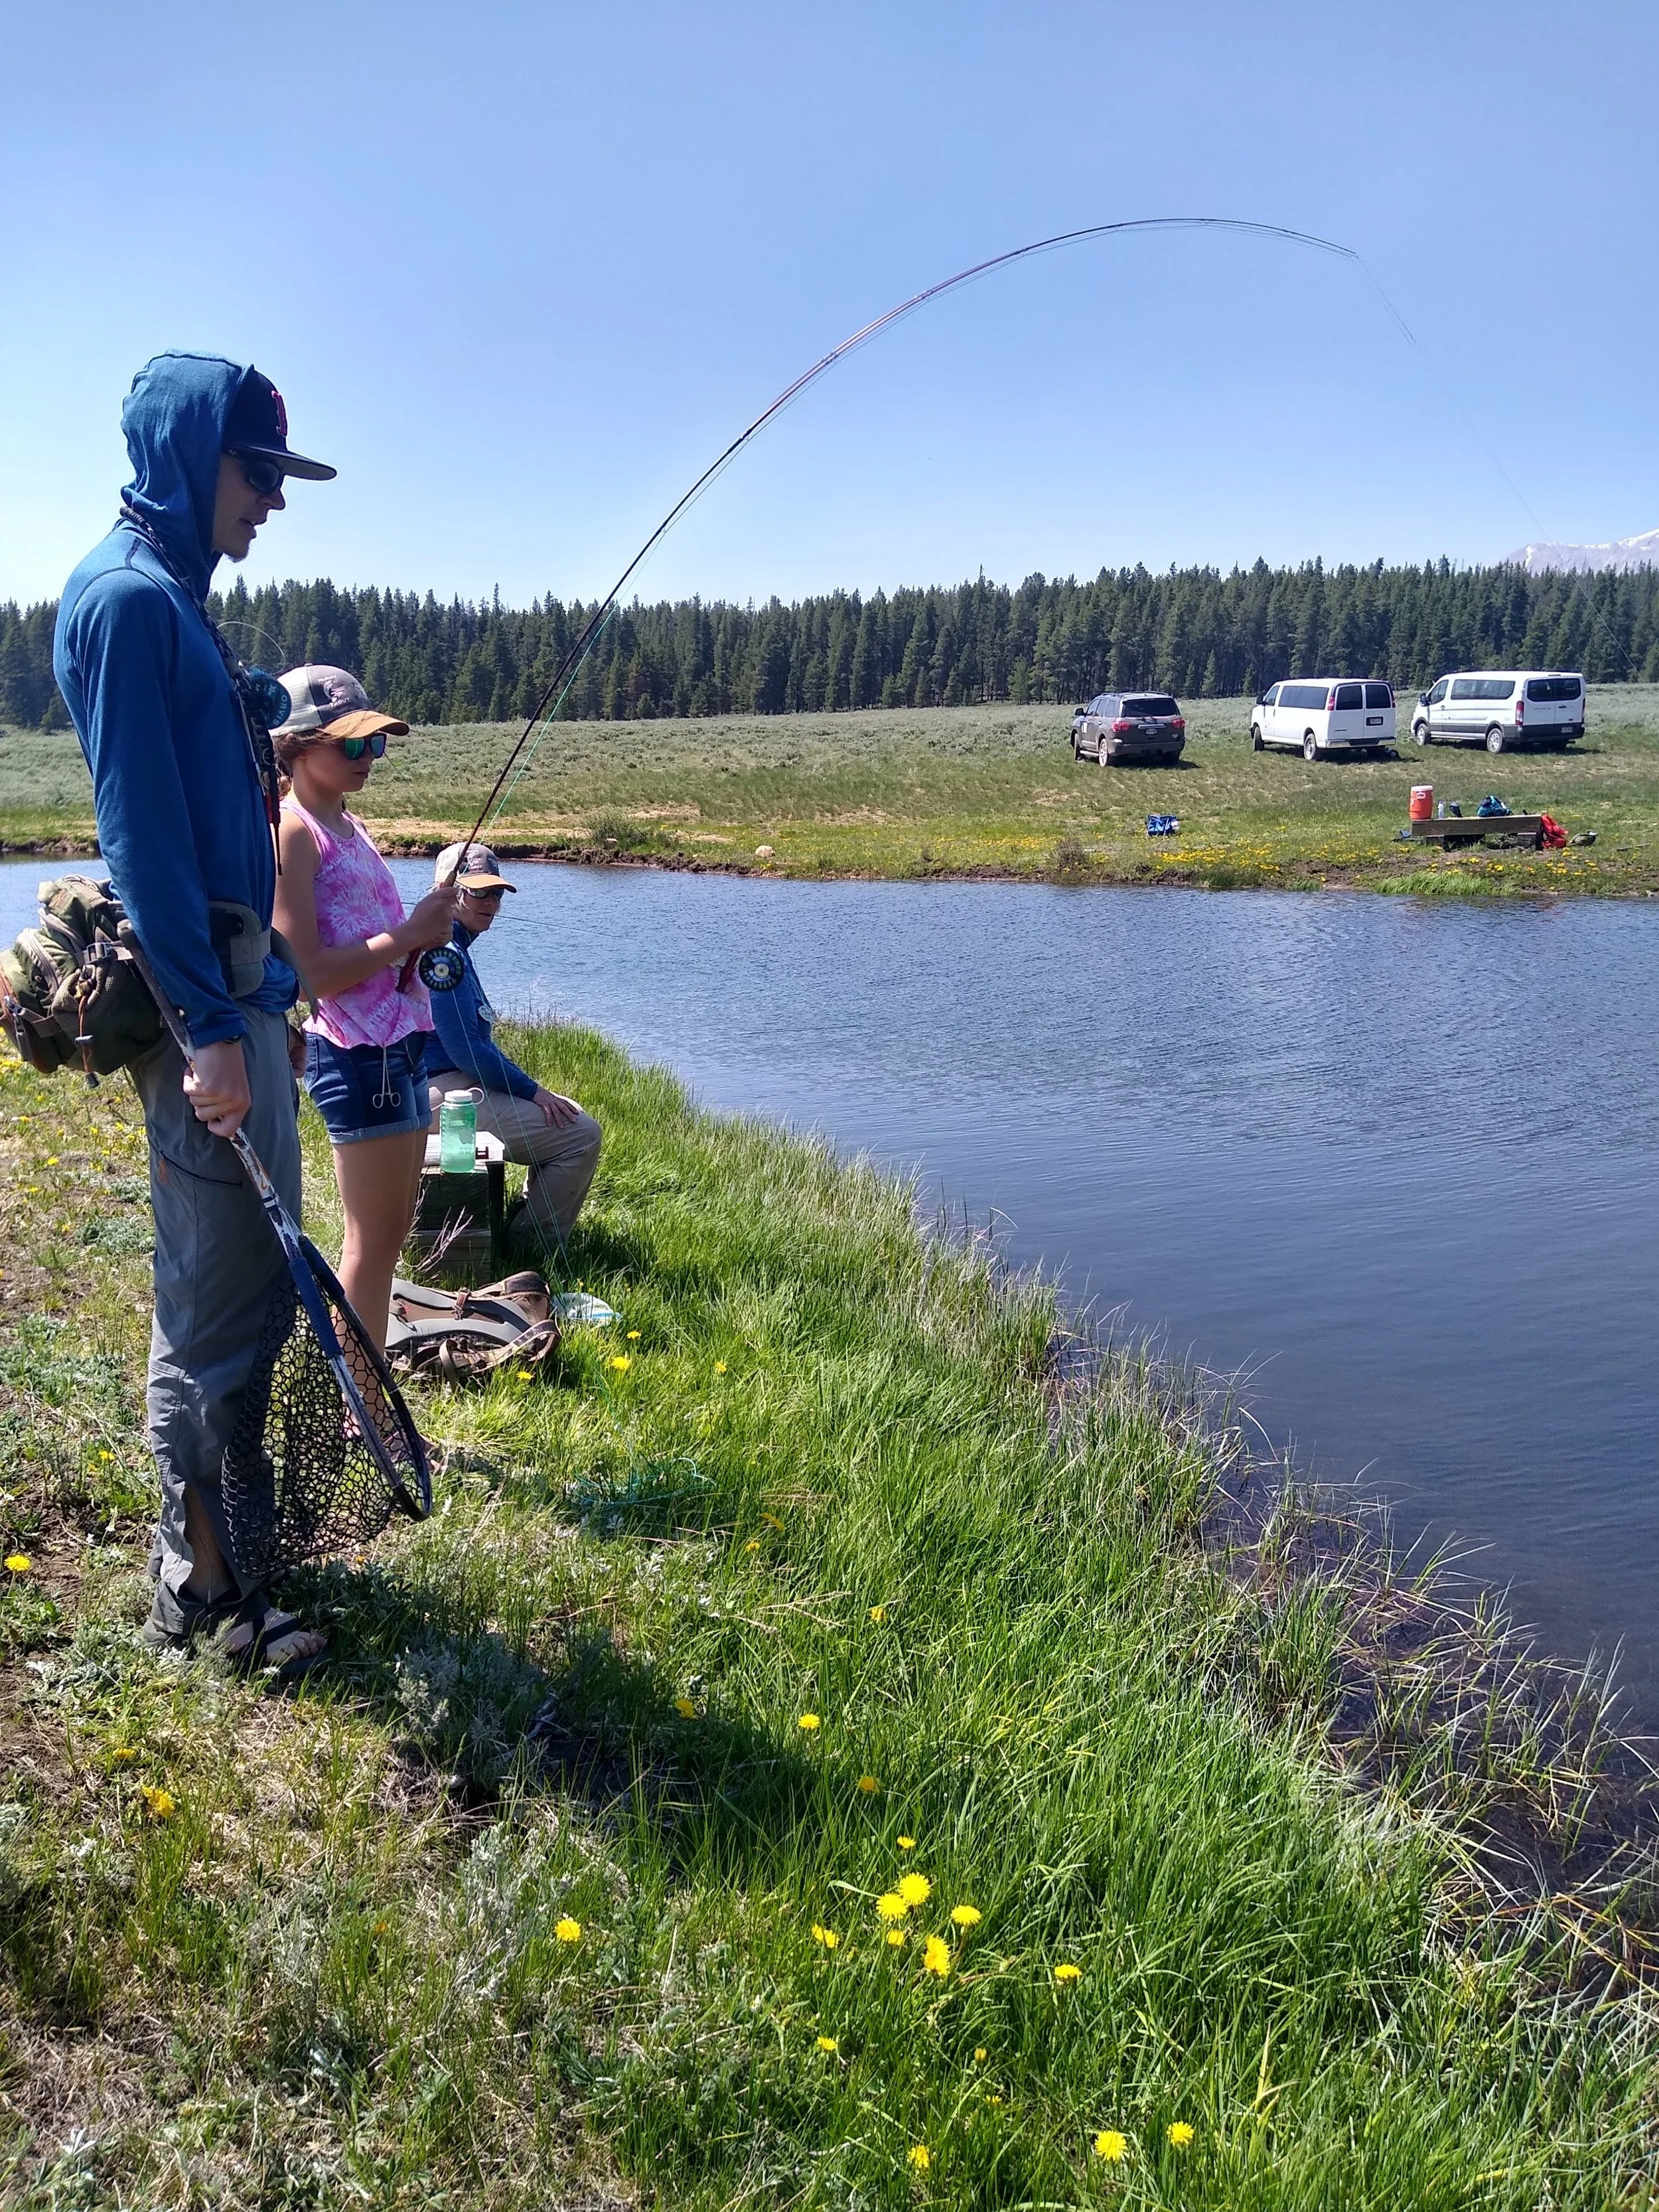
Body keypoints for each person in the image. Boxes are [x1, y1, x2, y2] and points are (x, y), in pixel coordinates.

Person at [51, 353, 336, 1674]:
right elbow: (146, 840)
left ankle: (230, 1564)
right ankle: (197, 1596)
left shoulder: (175, 605)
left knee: (249, 1299)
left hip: (241, 999)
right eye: (255, 471)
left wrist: (264, 1001)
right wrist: (212, 1028)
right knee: (213, 1308)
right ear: (185, 455)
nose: (271, 501)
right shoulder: (123, 604)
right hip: (205, 1012)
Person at [271, 667, 459, 1350]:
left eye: (374, 745)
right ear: (294, 747)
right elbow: (306, 975)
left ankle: (374, 1402)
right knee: (370, 1245)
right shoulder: (294, 833)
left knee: (390, 1236)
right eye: (351, 746)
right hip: (356, 1057)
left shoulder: (349, 824)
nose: (367, 759)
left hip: (400, 1047)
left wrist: (422, 930)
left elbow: (374, 944)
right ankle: (364, 1417)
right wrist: (407, 936)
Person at [424, 844, 602, 1246]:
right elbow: (467, 1051)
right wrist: (534, 1092)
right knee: (582, 1134)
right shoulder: (444, 956)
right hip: (438, 1097)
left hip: (447, 1086)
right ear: (450, 891)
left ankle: (520, 1221)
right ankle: (531, 1245)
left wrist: (532, 1092)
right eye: (479, 891)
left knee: (567, 1118)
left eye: (497, 892)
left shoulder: (452, 948)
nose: (491, 902)